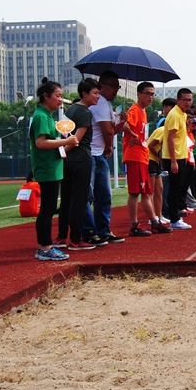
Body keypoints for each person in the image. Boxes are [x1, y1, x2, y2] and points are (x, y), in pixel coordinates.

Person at [30, 79, 78, 261]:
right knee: (48, 209)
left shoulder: (48, 116)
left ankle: (45, 246)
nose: (60, 100)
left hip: (53, 166)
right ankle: (44, 247)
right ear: (46, 96)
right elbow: (40, 142)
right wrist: (66, 142)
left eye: (61, 96)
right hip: (47, 167)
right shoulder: (41, 116)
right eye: (57, 96)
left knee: (49, 208)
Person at [57, 78, 104, 250]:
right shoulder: (85, 113)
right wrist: (62, 150)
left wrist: (61, 153)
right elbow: (75, 139)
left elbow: (63, 135)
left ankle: (62, 237)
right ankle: (76, 240)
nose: (98, 96)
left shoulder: (70, 110)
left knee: (66, 200)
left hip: (67, 161)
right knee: (79, 201)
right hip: (80, 159)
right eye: (95, 93)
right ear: (85, 94)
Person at [82, 70, 126, 244]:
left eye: (118, 86)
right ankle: (89, 231)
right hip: (91, 154)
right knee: (89, 195)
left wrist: (121, 122)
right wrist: (109, 144)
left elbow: (110, 128)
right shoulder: (100, 103)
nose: (116, 90)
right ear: (101, 86)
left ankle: (102, 230)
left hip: (99, 154)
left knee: (104, 195)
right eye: (112, 86)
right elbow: (108, 131)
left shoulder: (106, 103)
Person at [123, 82, 158, 237]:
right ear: (138, 94)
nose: (150, 97)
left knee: (145, 191)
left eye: (152, 94)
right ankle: (135, 224)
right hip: (135, 155)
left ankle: (154, 222)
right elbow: (123, 124)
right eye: (147, 93)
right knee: (136, 192)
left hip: (142, 155)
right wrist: (134, 135)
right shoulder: (135, 110)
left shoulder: (142, 111)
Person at [162, 88, 193, 230]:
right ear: (178, 100)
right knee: (174, 188)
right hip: (173, 157)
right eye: (185, 99)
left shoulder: (183, 114)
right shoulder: (175, 115)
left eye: (190, 99)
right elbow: (170, 139)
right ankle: (174, 218)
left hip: (181, 156)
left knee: (178, 187)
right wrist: (173, 161)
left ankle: (175, 215)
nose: (188, 102)